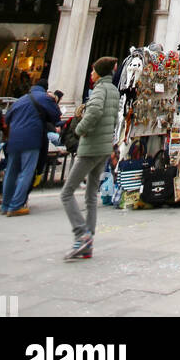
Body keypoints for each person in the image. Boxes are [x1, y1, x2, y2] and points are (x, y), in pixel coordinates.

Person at [60, 56, 120, 260]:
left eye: (93, 71)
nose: (91, 74)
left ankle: (81, 234)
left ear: (99, 73)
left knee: (67, 192)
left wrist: (78, 129)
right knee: (91, 195)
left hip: (91, 147)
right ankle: (89, 239)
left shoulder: (100, 90)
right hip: (104, 146)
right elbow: (113, 118)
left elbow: (93, 112)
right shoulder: (113, 90)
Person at [2, 78, 61, 216]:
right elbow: (56, 116)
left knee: (11, 172)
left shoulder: (21, 99)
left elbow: (7, 118)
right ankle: (16, 205)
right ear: (46, 89)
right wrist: (53, 100)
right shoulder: (45, 98)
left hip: (14, 139)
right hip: (31, 138)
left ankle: (6, 205)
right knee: (26, 172)